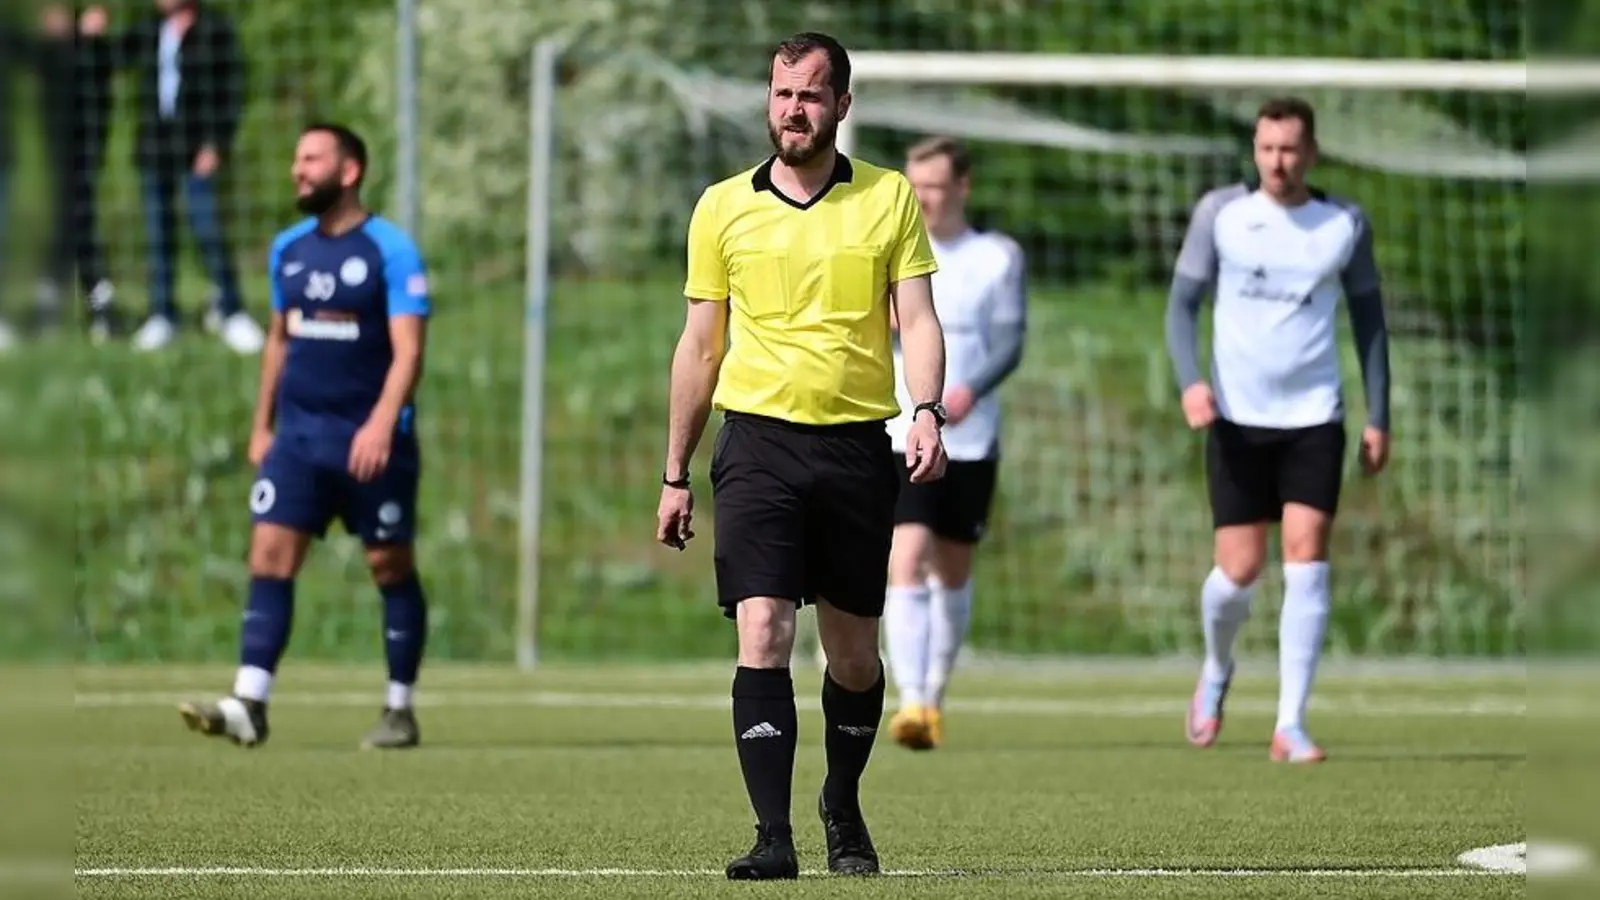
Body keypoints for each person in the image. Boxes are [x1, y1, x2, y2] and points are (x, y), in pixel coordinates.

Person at [655, 32, 948, 881]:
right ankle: (772, 836)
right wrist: (675, 472)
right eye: (783, 93)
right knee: (765, 628)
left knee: (853, 653)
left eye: (812, 95)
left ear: (842, 106)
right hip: (757, 445)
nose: (794, 109)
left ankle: (843, 805)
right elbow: (699, 347)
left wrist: (925, 410)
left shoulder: (889, 199)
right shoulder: (721, 207)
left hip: (858, 446)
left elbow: (919, 321)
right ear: (768, 100)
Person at [177, 123, 433, 751]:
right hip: (297, 440)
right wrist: (261, 424)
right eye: (296, 158)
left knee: (388, 564)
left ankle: (399, 707)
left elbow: (408, 351)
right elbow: (279, 341)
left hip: (372, 442)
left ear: (349, 172)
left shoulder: (390, 250)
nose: (298, 169)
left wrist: (379, 424)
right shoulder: (287, 249)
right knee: (268, 557)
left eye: (312, 159)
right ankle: (250, 703)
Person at [1165, 96, 1391, 764]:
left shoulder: (1342, 223)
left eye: (1290, 149)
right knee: (1237, 573)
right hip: (1236, 417)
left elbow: (1371, 323)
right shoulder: (1222, 215)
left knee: (1307, 558)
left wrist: (1380, 413)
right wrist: (1191, 382)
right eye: (1266, 148)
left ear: (1312, 152)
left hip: (1315, 417)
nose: (1277, 161)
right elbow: (1181, 306)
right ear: (1255, 150)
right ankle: (1217, 667)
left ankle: (1290, 724)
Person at [882, 136, 1026, 752]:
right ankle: (910, 699)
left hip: (970, 437)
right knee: (904, 557)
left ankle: (934, 695)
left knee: (953, 569)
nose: (922, 198)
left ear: (961, 187)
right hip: (900, 430)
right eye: (913, 186)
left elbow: (1011, 341)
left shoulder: (996, 257)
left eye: (934, 186)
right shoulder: (892, 251)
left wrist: (969, 390)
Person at [81, 1, 263, 354]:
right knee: (158, 234)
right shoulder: (150, 29)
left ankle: (232, 310)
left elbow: (232, 90)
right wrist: (92, 38)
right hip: (155, 146)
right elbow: (112, 61)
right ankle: (163, 315)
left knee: (206, 227)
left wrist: (216, 143)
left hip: (198, 145)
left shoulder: (215, 29)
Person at [37, 4, 119, 340]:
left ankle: (82, 303)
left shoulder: (93, 49)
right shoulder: (49, 50)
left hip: (85, 148)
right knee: (70, 225)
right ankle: (93, 302)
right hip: (57, 148)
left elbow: (101, 88)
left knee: (74, 224)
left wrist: (91, 38)